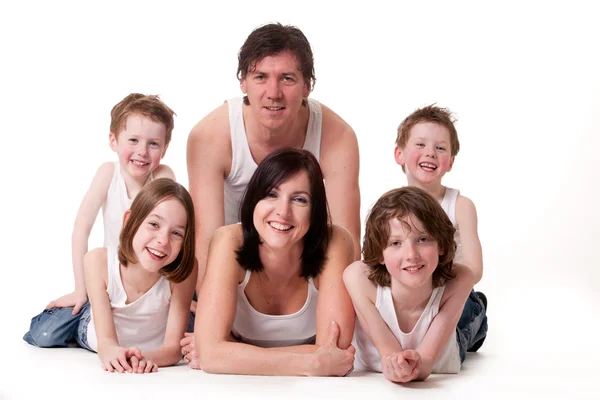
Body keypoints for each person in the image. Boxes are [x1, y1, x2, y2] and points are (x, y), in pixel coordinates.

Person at [186, 23, 361, 298]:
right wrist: (212, 324)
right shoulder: (210, 135)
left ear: (307, 85)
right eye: (261, 77)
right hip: (232, 267)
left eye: (287, 78)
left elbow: (346, 243)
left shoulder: (337, 136)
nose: (273, 92)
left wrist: (333, 316)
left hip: (302, 266)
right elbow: (206, 244)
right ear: (242, 81)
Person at [181, 148, 356, 376]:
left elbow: (337, 352)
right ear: (254, 200)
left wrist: (234, 353)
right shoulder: (228, 240)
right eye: (271, 194)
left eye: (299, 199)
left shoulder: (335, 241)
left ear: (314, 213)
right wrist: (310, 363)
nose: (283, 212)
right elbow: (211, 356)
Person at [24, 179, 198, 373]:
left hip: (146, 334)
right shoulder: (97, 261)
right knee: (45, 334)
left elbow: (173, 350)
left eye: (176, 233)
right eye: (154, 224)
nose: (163, 241)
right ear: (129, 221)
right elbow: (106, 345)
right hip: (95, 328)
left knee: (192, 327)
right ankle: (82, 304)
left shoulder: (185, 271)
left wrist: (139, 358)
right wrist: (113, 352)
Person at [46, 93, 176, 316]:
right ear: (113, 141)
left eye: (153, 143)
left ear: (164, 150)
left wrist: (178, 291)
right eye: (133, 140)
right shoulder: (108, 173)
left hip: (155, 284)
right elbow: (81, 228)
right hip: (112, 281)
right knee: (47, 333)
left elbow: (175, 233)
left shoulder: (163, 177)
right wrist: (81, 289)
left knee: (188, 322)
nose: (142, 152)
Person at [343, 187, 487, 383]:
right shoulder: (357, 278)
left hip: (450, 346)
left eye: (422, 239)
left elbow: (426, 363)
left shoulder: (461, 279)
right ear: (379, 253)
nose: (411, 255)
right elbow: (389, 354)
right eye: (395, 243)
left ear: (442, 245)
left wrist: (416, 367)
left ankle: (477, 306)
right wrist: (397, 366)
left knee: (469, 319)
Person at [395, 104, 487, 351]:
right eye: (420, 144)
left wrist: (432, 280)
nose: (431, 153)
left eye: (440, 148)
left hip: (451, 294)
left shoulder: (460, 206)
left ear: (451, 162)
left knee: (457, 320)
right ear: (400, 154)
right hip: (410, 295)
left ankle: (474, 323)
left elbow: (474, 269)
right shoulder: (391, 208)